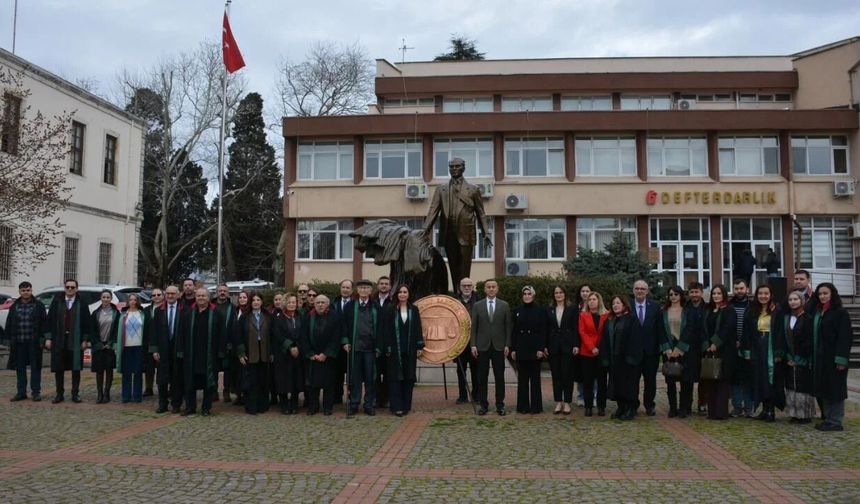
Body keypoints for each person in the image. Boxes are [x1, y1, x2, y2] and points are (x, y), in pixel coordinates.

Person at [422, 157, 493, 292]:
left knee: (464, 268)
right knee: (453, 267)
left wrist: (486, 232)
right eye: (451, 167)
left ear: (463, 168)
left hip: (466, 233)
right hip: (448, 233)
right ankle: (456, 294)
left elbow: (481, 213)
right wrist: (424, 231)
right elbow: (433, 210)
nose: (454, 169)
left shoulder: (473, 189)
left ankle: (465, 295)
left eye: (457, 166)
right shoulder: (441, 189)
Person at [176, 288, 224, 416]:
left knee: (208, 382)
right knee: (190, 382)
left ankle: (206, 408)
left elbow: (222, 335)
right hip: (191, 354)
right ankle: (190, 407)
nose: (201, 298)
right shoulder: (187, 313)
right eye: (198, 296)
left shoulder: (216, 313)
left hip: (209, 354)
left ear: (208, 298)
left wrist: (221, 352)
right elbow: (180, 333)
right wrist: (180, 350)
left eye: (203, 296)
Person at [811, 283, 852, 432]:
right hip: (821, 358)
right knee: (825, 388)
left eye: (825, 293)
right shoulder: (820, 312)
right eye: (820, 294)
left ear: (832, 294)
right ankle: (828, 419)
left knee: (835, 390)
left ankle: (835, 421)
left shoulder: (840, 313)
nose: (822, 296)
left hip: (835, 358)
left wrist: (841, 359)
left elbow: (845, 337)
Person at [742, 284, 785, 422]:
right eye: (760, 293)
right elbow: (746, 332)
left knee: (770, 379)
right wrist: (747, 351)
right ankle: (763, 409)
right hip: (756, 348)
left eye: (766, 293)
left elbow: (781, 332)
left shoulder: (777, 310)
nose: (763, 296)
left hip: (771, 347)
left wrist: (779, 352)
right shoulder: (751, 310)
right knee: (759, 379)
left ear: (771, 295)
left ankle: (770, 410)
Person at [45, 279, 92, 404]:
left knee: (75, 368)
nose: (70, 289)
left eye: (72, 287)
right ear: (64, 288)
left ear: (77, 289)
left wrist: (85, 340)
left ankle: (75, 394)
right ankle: (59, 394)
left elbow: (87, 323)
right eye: (68, 287)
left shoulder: (82, 303)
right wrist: (48, 338)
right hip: (59, 339)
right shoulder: (57, 301)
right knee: (59, 368)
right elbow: (49, 320)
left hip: (75, 340)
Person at [470, 279, 512, 416]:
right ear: (485, 289)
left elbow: (508, 327)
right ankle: (483, 405)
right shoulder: (477, 305)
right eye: (489, 287)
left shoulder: (504, 305)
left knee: (499, 377)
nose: (491, 289)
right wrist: (473, 345)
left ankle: (500, 405)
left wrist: (507, 344)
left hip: (499, 346)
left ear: (497, 289)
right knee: (482, 377)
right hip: (482, 346)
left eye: (493, 287)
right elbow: (474, 327)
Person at [342, 279, 382, 417]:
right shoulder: (349, 307)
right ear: (357, 290)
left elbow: (381, 328)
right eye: (361, 288)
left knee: (371, 378)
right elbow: (344, 326)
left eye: (366, 288)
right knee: (355, 378)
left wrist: (378, 347)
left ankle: (369, 404)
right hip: (355, 348)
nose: (364, 290)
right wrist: (345, 341)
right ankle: (354, 404)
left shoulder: (376, 307)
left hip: (370, 349)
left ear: (371, 290)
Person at [383, 284, 424, 416]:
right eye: (400, 292)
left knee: (408, 377)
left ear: (408, 294)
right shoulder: (390, 309)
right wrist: (388, 346)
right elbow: (386, 330)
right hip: (395, 350)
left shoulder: (414, 309)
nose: (402, 294)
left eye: (405, 292)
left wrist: (419, 345)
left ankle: (406, 405)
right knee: (395, 378)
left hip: (410, 349)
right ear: (396, 294)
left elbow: (418, 328)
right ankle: (396, 406)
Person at [299, 294, 341, 415]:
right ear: (314, 304)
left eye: (323, 302)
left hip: (328, 357)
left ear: (327, 304)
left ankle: (328, 407)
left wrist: (326, 353)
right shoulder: (308, 317)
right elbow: (303, 336)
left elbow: (336, 337)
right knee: (312, 384)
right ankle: (313, 406)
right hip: (312, 356)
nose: (320, 305)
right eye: (318, 303)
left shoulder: (334, 317)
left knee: (328, 384)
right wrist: (310, 353)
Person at [6, 281, 47, 402]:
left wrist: (43, 339)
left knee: (35, 368)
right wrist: (8, 341)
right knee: (20, 368)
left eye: (28, 290)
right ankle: (21, 392)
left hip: (34, 342)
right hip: (19, 342)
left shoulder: (39, 305)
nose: (26, 292)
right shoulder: (14, 306)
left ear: (31, 290)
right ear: (19, 292)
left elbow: (44, 323)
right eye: (23, 290)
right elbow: (9, 323)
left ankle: (35, 392)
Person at [702, 284, 738, 420]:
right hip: (709, 351)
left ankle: (721, 412)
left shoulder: (729, 310)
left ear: (724, 295)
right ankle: (711, 412)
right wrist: (707, 344)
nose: (716, 296)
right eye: (714, 294)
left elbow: (727, 328)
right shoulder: (708, 310)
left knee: (722, 381)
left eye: (719, 293)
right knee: (710, 379)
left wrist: (715, 343)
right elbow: (703, 328)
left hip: (725, 351)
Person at [601, 295, 639, 420]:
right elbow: (604, 340)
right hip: (614, 359)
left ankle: (630, 409)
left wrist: (631, 357)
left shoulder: (631, 319)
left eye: (618, 303)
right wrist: (605, 357)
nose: (615, 305)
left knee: (628, 385)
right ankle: (621, 407)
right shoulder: (610, 320)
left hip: (627, 359)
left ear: (624, 304)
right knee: (616, 384)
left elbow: (635, 339)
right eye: (613, 304)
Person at [511, 285, 547, 414]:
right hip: (521, 348)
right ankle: (523, 406)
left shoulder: (540, 311)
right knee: (522, 380)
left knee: (535, 379)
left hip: (535, 348)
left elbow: (543, 331)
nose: (527, 296)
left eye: (529, 294)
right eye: (524, 294)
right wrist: (513, 349)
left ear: (533, 295)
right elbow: (514, 331)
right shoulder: (517, 310)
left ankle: (536, 407)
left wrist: (541, 348)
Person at [630, 280, 664, 416]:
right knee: (633, 380)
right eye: (637, 288)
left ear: (647, 291)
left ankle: (649, 404)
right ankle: (633, 404)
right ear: (633, 290)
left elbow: (660, 329)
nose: (639, 291)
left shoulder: (655, 307)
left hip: (651, 351)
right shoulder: (628, 306)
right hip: (632, 351)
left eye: (642, 289)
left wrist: (661, 348)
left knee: (650, 381)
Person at [783, 291, 816, 423]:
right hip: (789, 357)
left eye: (796, 299)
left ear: (802, 301)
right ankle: (794, 414)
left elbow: (808, 340)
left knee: (803, 387)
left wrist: (799, 358)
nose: (793, 302)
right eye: (790, 299)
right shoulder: (787, 318)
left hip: (803, 358)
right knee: (791, 386)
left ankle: (805, 415)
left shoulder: (808, 319)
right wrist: (788, 356)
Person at [237, 292, 272, 415]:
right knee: (251, 382)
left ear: (262, 302)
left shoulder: (268, 316)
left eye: (258, 300)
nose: (256, 302)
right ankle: (251, 406)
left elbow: (273, 336)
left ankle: (262, 406)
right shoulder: (244, 317)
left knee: (263, 381)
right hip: (250, 353)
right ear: (250, 302)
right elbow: (238, 336)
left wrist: (271, 353)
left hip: (264, 353)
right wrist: (241, 353)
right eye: (253, 300)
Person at [152, 285, 183, 414]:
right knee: (162, 379)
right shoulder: (159, 311)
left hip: (178, 349)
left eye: (173, 294)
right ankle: (162, 404)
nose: (170, 296)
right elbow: (154, 332)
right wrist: (154, 349)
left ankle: (176, 404)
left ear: (178, 295)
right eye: (168, 294)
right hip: (162, 350)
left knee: (177, 378)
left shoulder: (184, 310)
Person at [576, 292, 608, 416]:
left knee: (601, 382)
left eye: (594, 299)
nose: (592, 302)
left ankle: (601, 406)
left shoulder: (606, 315)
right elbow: (582, 332)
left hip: (602, 352)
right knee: (587, 382)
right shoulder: (583, 315)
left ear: (599, 301)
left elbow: (606, 333)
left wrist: (600, 348)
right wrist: (592, 347)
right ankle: (588, 406)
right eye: (590, 300)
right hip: (587, 353)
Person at [547, 285, 578, 415]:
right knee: (556, 375)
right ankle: (558, 401)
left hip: (568, 345)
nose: (558, 295)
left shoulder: (572, 308)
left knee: (567, 375)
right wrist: (545, 345)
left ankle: (567, 402)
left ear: (565, 294)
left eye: (560, 292)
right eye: (556, 293)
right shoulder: (549, 309)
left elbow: (576, 327)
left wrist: (576, 345)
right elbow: (546, 328)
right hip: (553, 346)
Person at [116, 293, 150, 404]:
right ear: (128, 301)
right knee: (126, 373)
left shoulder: (142, 314)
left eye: (135, 300)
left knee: (137, 372)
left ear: (138, 301)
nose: (133, 302)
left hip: (138, 346)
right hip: (126, 347)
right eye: (131, 300)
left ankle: (137, 396)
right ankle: (126, 396)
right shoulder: (123, 314)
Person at [273, 293, 302, 414]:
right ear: (285, 303)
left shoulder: (300, 317)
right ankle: (284, 404)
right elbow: (277, 334)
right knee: (282, 380)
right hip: (283, 353)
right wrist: (290, 347)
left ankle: (294, 403)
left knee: (296, 379)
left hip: (298, 353)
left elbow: (303, 333)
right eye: (289, 302)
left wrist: (298, 347)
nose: (291, 304)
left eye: (294, 302)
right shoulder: (278, 318)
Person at [729, 279, 754, 418]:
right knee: (735, 379)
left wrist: (744, 342)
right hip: (732, 347)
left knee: (748, 378)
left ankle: (749, 407)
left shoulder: (752, 306)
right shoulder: (729, 305)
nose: (739, 291)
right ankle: (737, 406)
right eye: (736, 288)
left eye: (741, 288)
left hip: (748, 346)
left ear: (747, 289)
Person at [659, 285, 685, 418]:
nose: (673, 296)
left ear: (680, 295)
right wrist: (666, 349)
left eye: (676, 294)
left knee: (684, 380)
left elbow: (690, 330)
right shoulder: (664, 311)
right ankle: (673, 407)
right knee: (670, 381)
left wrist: (680, 348)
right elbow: (660, 330)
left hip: (682, 348)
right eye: (671, 294)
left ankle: (683, 408)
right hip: (668, 348)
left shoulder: (686, 311)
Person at [89, 290, 119, 402]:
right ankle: (100, 393)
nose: (106, 299)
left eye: (108, 297)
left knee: (109, 370)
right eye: (104, 297)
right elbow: (92, 331)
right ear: (100, 298)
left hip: (109, 345)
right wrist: (98, 344)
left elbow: (117, 330)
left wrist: (111, 343)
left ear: (111, 299)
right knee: (99, 371)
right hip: (99, 345)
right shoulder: (95, 313)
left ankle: (107, 393)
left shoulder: (116, 313)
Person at [683, 282, 707, 418]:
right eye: (691, 292)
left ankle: (702, 403)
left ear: (701, 292)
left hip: (703, 346)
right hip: (688, 348)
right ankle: (687, 404)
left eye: (696, 292)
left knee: (704, 377)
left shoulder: (707, 308)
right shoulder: (685, 308)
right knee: (688, 378)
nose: (694, 295)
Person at [455, 277, 480, 405]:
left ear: (472, 287)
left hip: (474, 342)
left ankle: (476, 395)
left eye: (469, 285)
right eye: (464, 285)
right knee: (460, 371)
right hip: (459, 344)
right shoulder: (454, 301)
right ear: (460, 287)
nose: (466, 288)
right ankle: (462, 395)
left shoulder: (479, 301)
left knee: (476, 371)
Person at [331, 279, 354, 405]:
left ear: (352, 290)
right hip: (336, 345)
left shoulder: (355, 304)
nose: (345, 289)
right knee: (337, 373)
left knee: (351, 372)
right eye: (343, 287)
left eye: (348, 288)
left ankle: (351, 396)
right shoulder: (333, 303)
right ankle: (337, 397)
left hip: (351, 344)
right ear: (340, 288)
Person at [213, 284, 236, 404]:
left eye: (224, 291)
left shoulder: (233, 308)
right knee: (214, 368)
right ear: (216, 292)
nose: (222, 293)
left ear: (228, 293)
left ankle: (226, 391)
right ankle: (214, 391)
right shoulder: (211, 306)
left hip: (227, 343)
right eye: (220, 291)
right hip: (213, 343)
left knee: (228, 370)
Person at [374, 276, 393, 410]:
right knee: (374, 374)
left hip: (388, 344)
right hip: (374, 344)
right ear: (378, 285)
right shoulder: (371, 301)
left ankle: (385, 399)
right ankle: (375, 398)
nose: (384, 286)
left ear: (390, 286)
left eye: (386, 284)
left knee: (387, 374)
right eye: (381, 283)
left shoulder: (393, 302)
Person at [230, 290, 251, 407]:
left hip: (245, 348)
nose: (242, 299)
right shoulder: (235, 311)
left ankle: (245, 395)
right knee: (236, 373)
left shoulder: (248, 312)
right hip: (234, 347)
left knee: (245, 374)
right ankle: (238, 395)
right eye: (240, 297)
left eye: (244, 297)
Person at [142, 288, 164, 397]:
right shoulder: (146, 310)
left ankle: (163, 387)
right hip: (148, 342)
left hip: (162, 342)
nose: (156, 297)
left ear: (163, 296)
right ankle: (148, 388)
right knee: (148, 367)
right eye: (154, 295)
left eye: (159, 294)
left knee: (162, 367)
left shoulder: (166, 309)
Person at [574, 284, 594, 407]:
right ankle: (581, 395)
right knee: (580, 372)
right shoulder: (576, 308)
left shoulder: (595, 306)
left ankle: (594, 395)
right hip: (579, 344)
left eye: (587, 291)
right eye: (583, 291)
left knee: (594, 373)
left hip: (592, 345)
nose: (585, 293)